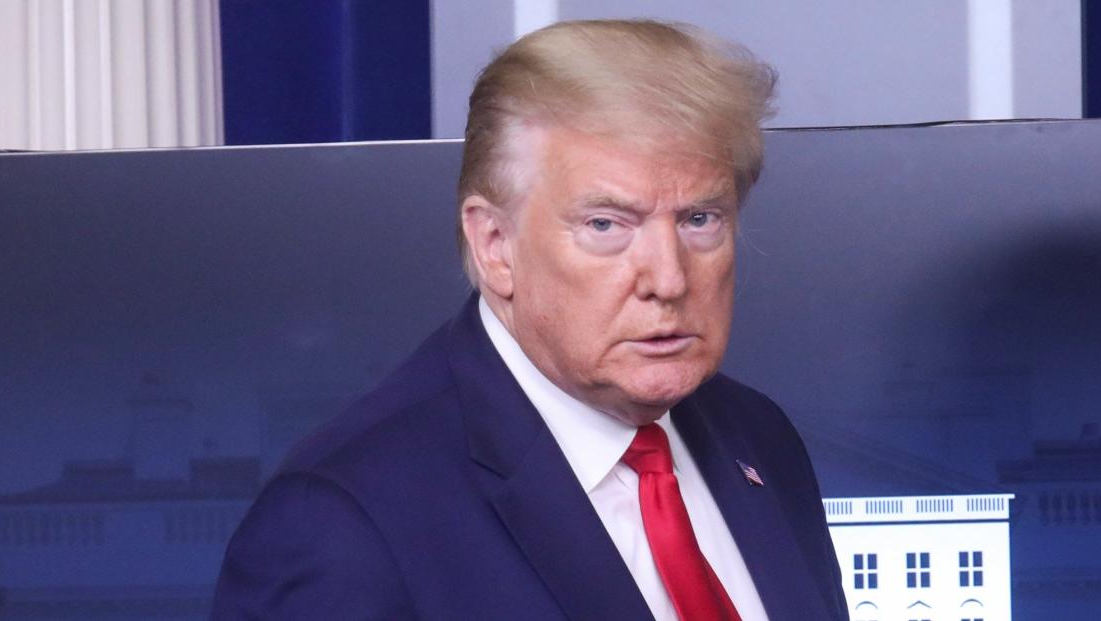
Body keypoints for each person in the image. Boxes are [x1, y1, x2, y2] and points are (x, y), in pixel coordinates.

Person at [212, 19, 848, 621]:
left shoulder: (756, 436)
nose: (669, 279)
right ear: (495, 245)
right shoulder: (342, 522)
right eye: (606, 224)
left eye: (699, 219)